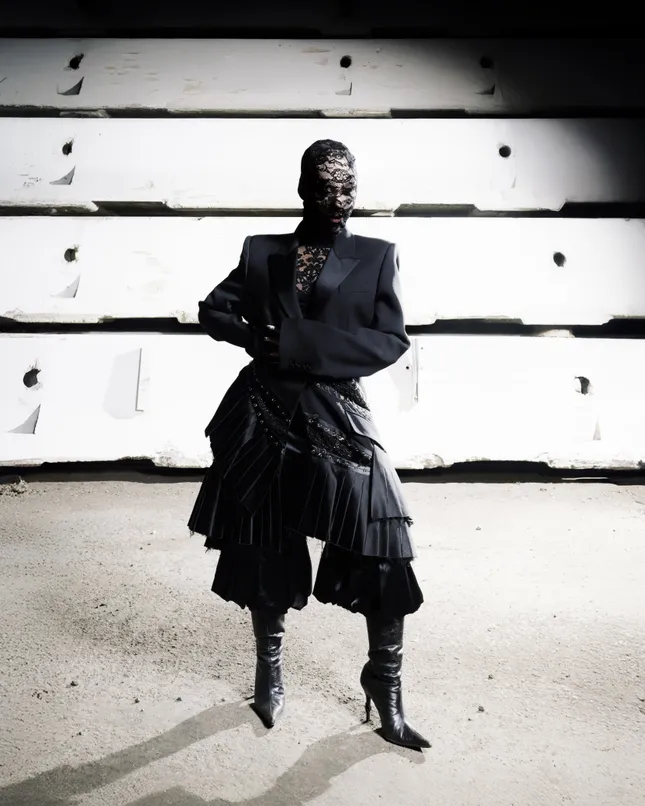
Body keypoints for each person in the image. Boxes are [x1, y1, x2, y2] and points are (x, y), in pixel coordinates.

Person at [188, 139, 430, 750]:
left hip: (336, 409)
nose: (340, 197)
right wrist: (252, 340)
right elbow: (213, 310)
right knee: (262, 540)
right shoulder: (262, 250)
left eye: (349, 185)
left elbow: (391, 341)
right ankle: (268, 671)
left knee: (382, 540)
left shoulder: (377, 255)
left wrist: (297, 344)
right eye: (326, 185)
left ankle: (385, 681)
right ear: (302, 188)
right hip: (262, 413)